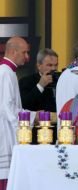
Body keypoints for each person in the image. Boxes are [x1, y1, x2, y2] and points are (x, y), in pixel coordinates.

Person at [0, 37, 36, 189]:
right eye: (25, 52)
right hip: (5, 134)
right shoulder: (5, 73)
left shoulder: (8, 72)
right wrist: (34, 116)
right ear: (14, 52)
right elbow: (8, 109)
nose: (27, 57)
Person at [19, 48, 58, 144]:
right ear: (39, 66)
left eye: (56, 65)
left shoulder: (61, 81)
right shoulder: (26, 81)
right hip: (36, 135)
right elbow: (24, 105)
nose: (53, 68)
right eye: (49, 65)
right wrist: (40, 86)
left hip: (58, 134)